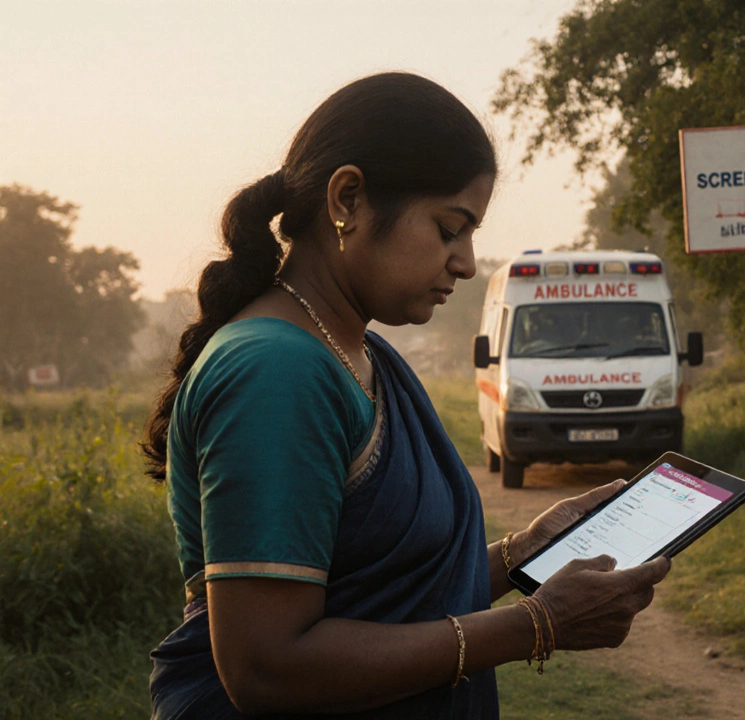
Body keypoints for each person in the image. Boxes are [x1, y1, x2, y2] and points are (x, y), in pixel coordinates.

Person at [141, 72, 669, 720]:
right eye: (450, 228)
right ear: (348, 199)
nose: (467, 262)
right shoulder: (275, 370)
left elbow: (382, 587)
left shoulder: (360, 353)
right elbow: (268, 665)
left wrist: (518, 554)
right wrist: (534, 624)